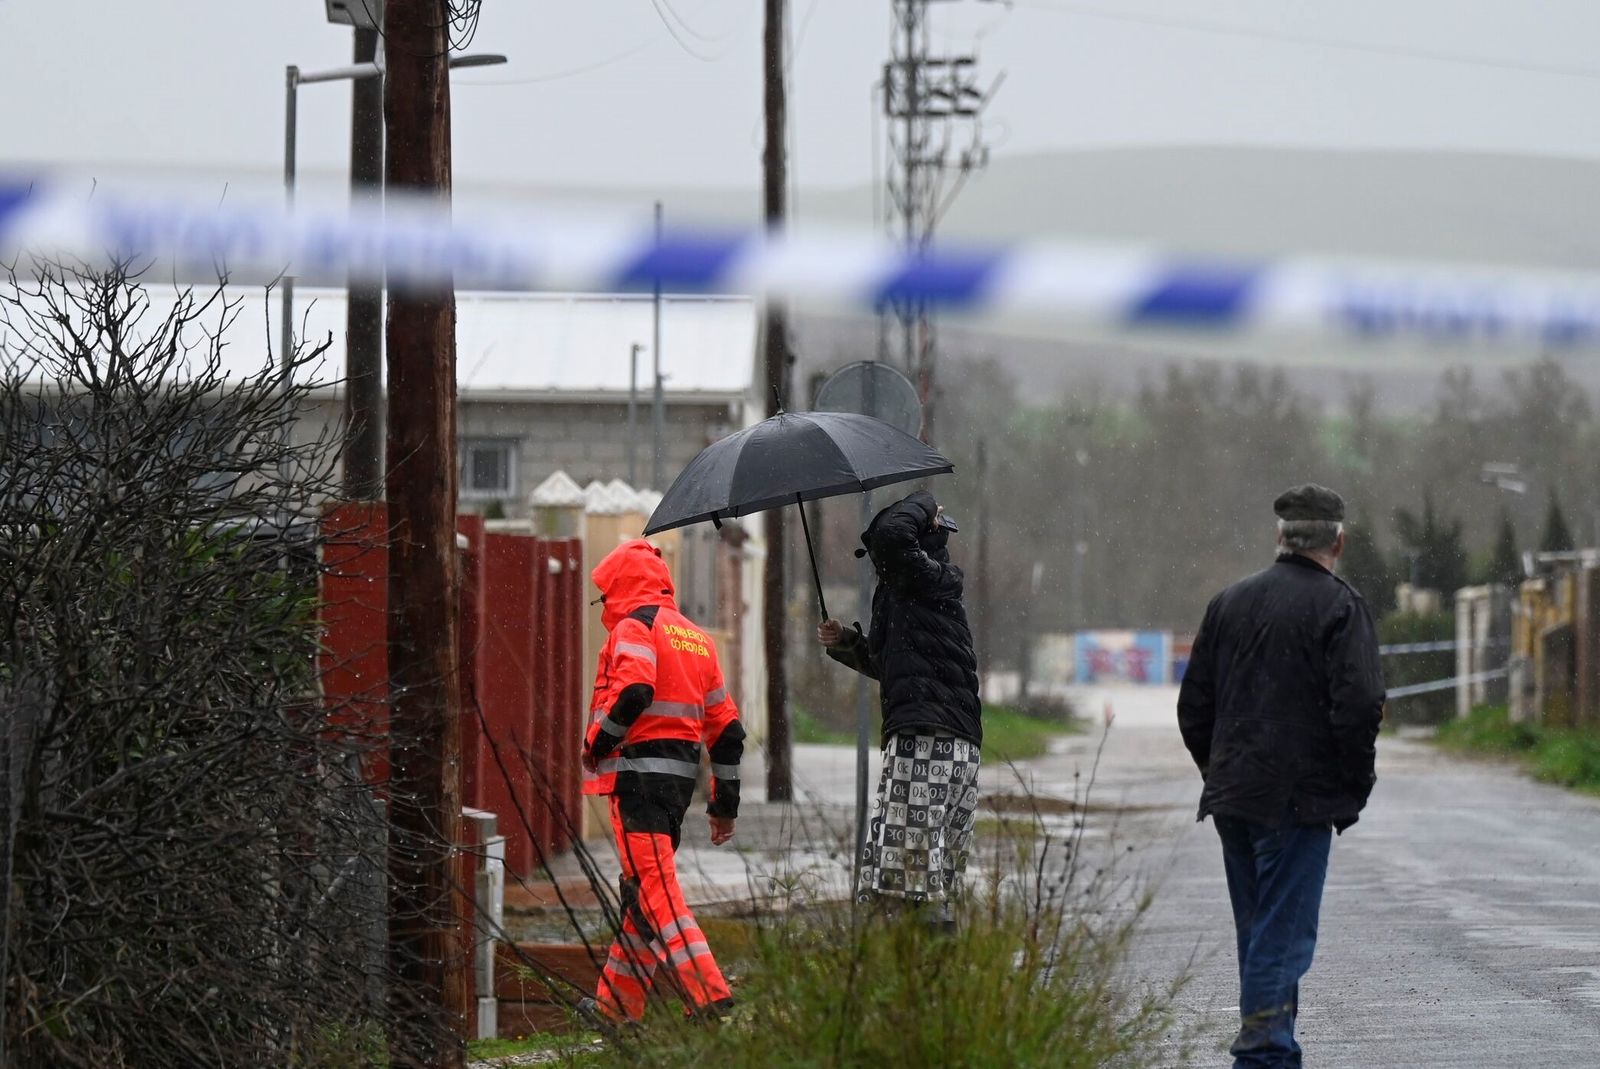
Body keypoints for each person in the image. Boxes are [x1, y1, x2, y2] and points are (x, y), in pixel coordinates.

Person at [1177, 484, 1385, 1069]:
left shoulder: (1228, 602)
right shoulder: (1341, 606)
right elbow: (1360, 704)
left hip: (1234, 797)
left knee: (1260, 933)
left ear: (1280, 537)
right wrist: (1351, 784)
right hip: (1296, 801)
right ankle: (1264, 1054)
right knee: (1282, 937)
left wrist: (1220, 768)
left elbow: (1193, 707)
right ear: (1338, 542)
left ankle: (1275, 1046)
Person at [577, 538, 744, 1024]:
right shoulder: (697, 639)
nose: (604, 603)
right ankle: (615, 1009)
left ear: (620, 586)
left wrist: (597, 744)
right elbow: (728, 732)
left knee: (657, 892)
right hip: (676, 787)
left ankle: (708, 994)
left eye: (605, 594)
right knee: (643, 896)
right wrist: (724, 806)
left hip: (636, 780)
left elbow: (635, 689)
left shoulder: (634, 627)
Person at [816, 489, 982, 918]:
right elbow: (895, 665)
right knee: (930, 875)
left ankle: (922, 956)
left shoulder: (923, 579)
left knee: (910, 877)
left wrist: (925, 501)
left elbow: (891, 534)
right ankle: (931, 956)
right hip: (954, 743)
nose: (875, 561)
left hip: (926, 741)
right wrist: (846, 642)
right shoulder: (918, 592)